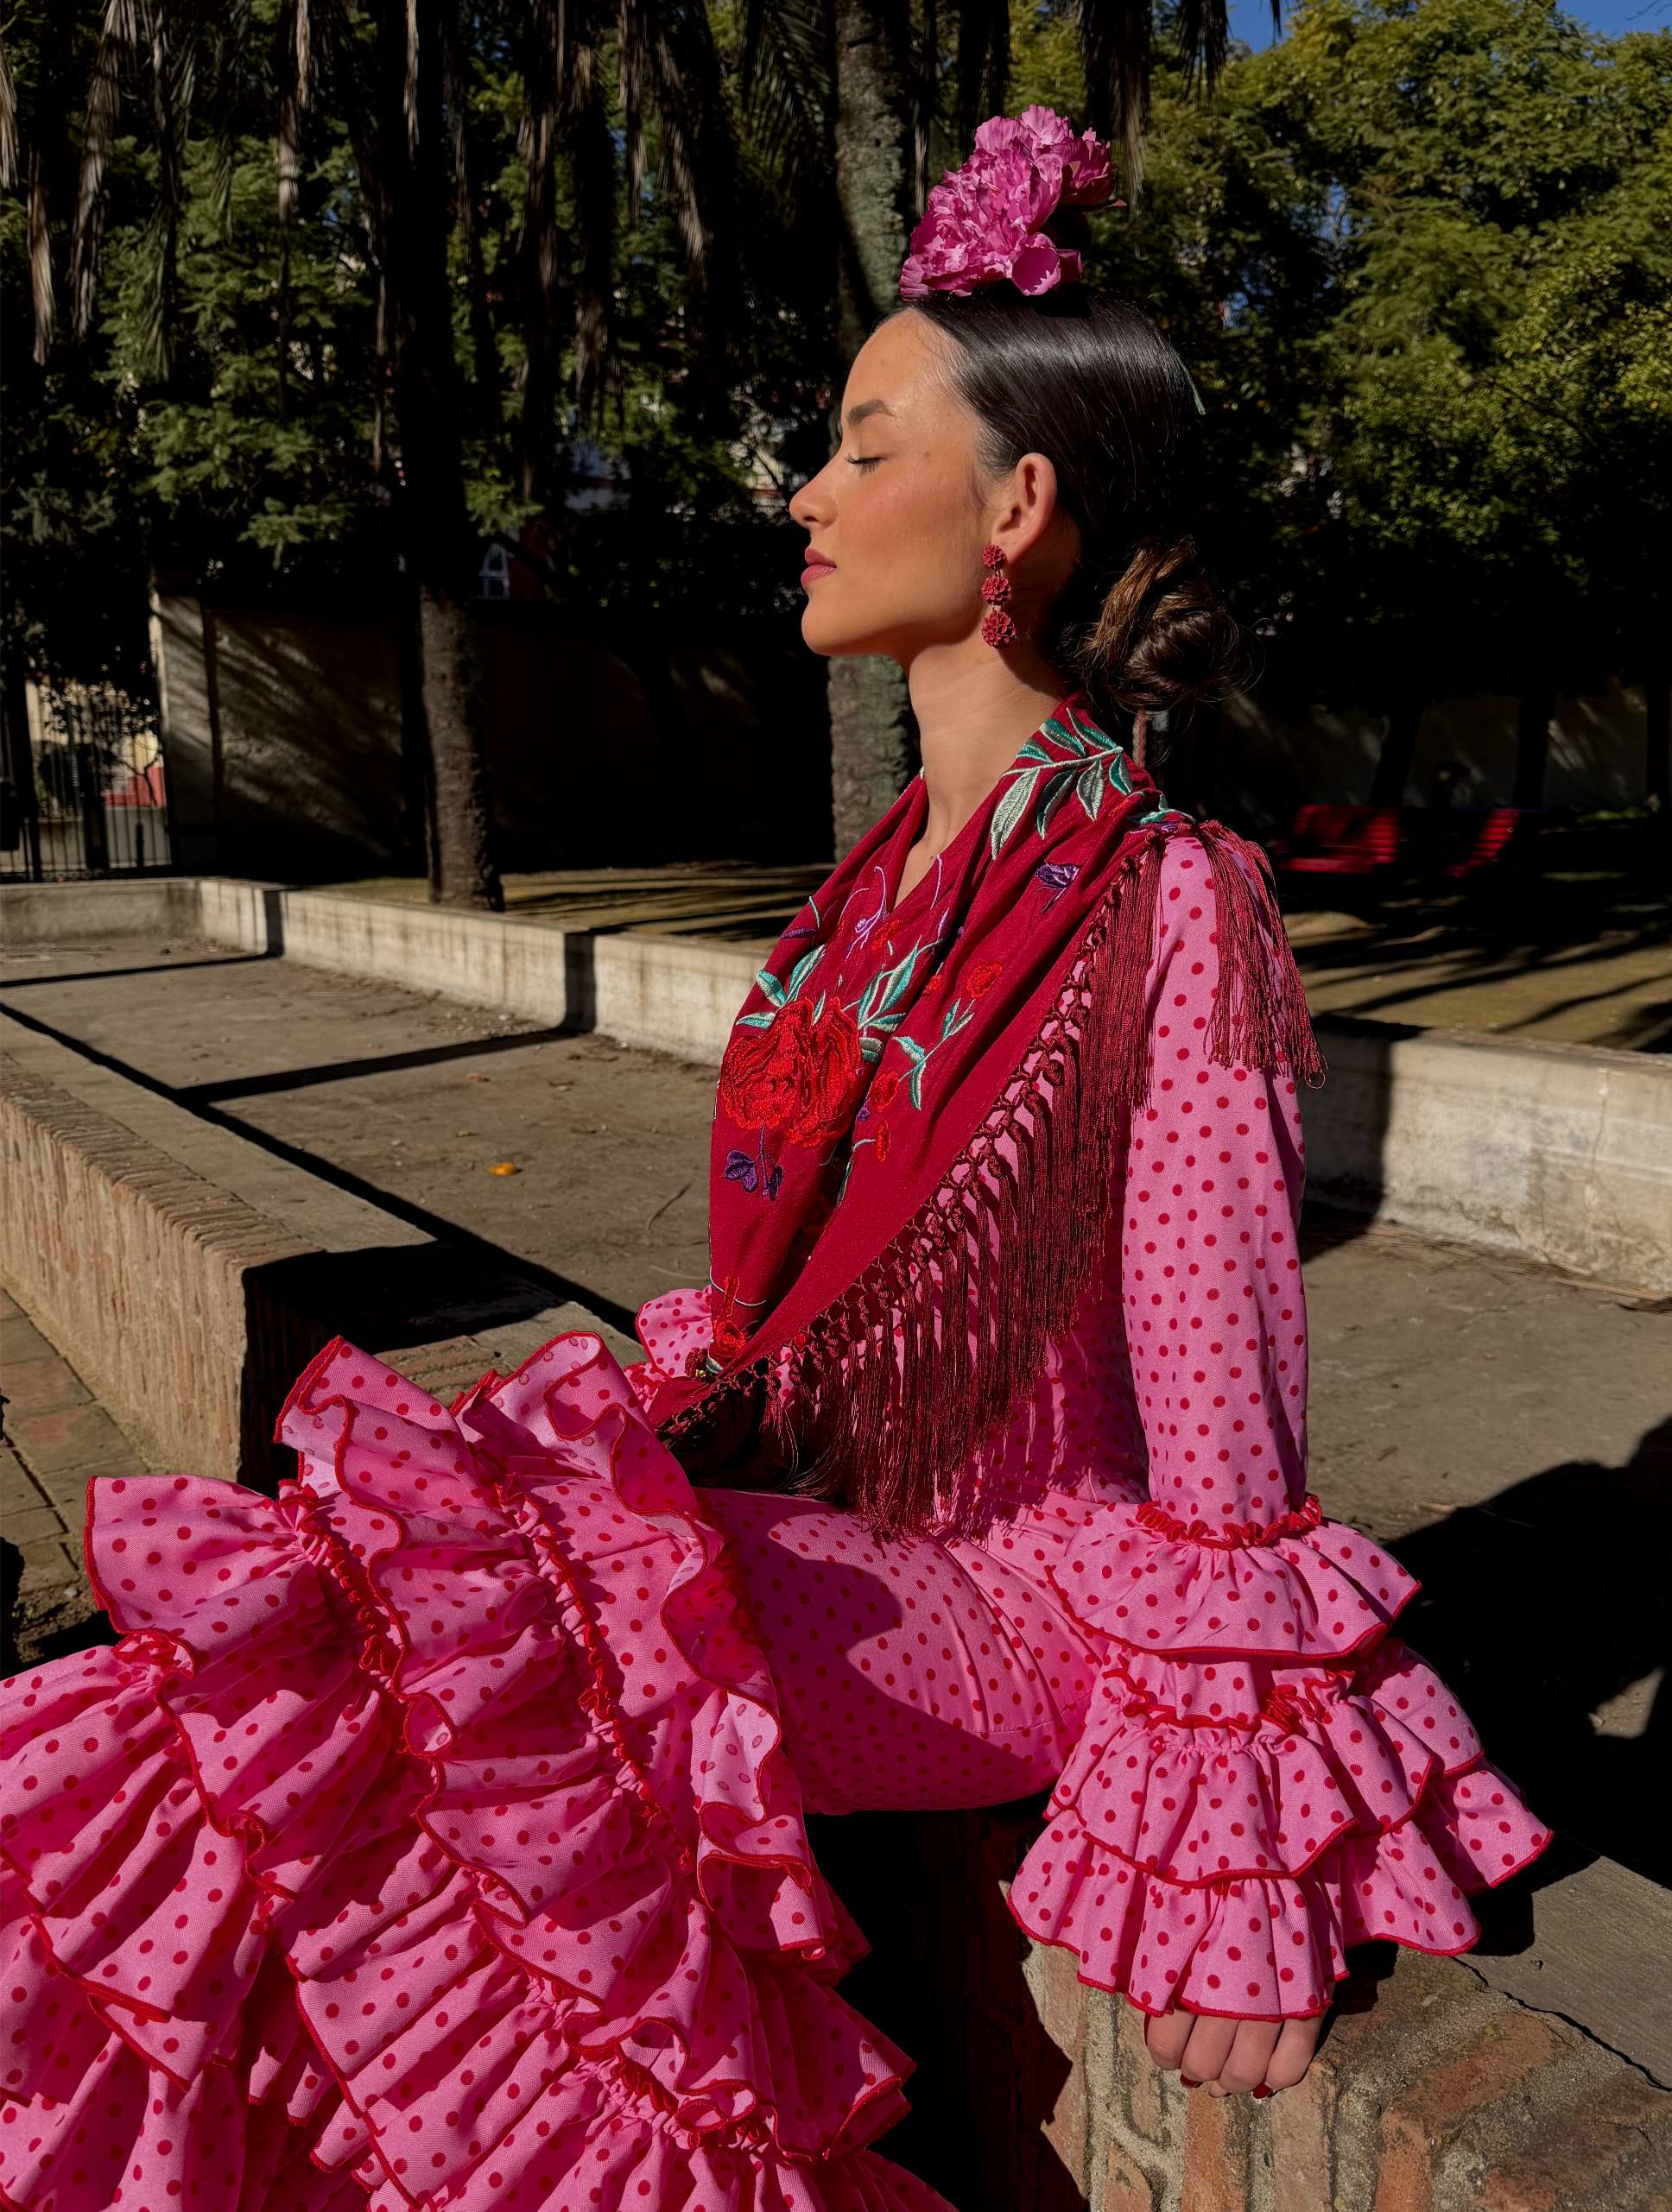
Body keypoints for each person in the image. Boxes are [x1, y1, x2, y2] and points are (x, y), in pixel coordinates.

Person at [0, 107, 1549, 2212]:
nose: (800, 493)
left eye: (855, 442)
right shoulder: (877, 891)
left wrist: (1235, 1834)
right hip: (842, 1520)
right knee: (279, 1664)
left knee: (447, 1659)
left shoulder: (1166, 893)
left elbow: (1221, 1452)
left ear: (1013, 505)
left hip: (1025, 1597)